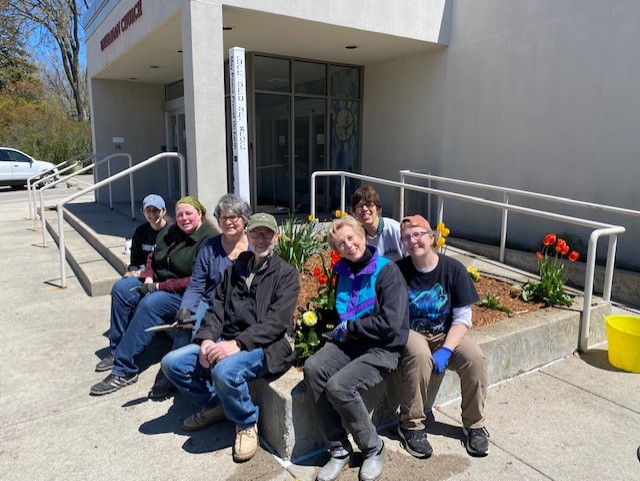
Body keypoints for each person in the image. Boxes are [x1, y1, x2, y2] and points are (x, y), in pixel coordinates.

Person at [161, 212, 299, 463]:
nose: (261, 239)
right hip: (227, 339)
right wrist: (207, 339)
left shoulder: (286, 274)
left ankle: (246, 422)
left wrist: (237, 344)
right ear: (247, 235)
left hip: (266, 345)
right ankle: (218, 405)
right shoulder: (236, 268)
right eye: (256, 233)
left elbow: (276, 322)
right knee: (172, 363)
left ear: (276, 238)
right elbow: (216, 308)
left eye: (267, 234)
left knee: (224, 372)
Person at [303, 216, 409, 481]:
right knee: (313, 368)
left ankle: (373, 448)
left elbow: (391, 325)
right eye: (341, 243)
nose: (348, 245)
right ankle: (339, 449)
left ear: (363, 236)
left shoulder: (387, 272)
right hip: (351, 343)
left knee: (339, 386)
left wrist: (352, 328)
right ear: (337, 250)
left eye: (351, 238)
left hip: (383, 347)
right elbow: (343, 314)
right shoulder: (344, 273)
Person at [90, 196, 217, 396]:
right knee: (121, 289)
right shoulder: (172, 231)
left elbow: (195, 281)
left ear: (200, 214)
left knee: (151, 303)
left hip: (183, 293)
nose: (184, 218)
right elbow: (152, 257)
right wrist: (148, 276)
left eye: (189, 213)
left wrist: (157, 287)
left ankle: (124, 369)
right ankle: (118, 350)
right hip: (157, 281)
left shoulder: (208, 240)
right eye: (180, 214)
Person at [395, 214, 489, 458]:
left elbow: (463, 318)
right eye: (407, 237)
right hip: (411, 333)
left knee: (475, 358)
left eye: (418, 234)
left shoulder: (453, 269)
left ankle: (474, 425)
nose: (413, 241)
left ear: (431, 237)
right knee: (419, 355)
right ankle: (411, 425)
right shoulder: (398, 271)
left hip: (445, 333)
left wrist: (447, 349)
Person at [147, 193, 251, 399]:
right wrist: (186, 308)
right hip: (210, 300)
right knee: (186, 324)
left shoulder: (254, 246)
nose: (228, 222)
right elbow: (196, 284)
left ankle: (210, 381)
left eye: (233, 217)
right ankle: (170, 375)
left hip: (240, 304)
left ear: (245, 219)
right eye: (223, 217)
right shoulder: (211, 247)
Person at [350, 185, 405, 262]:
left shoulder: (395, 229)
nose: (364, 209)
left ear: (378, 209)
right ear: (354, 212)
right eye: (360, 206)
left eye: (369, 204)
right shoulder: (359, 237)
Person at [124, 194, 168, 277]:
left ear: (164, 211)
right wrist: (133, 272)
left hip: (165, 272)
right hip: (144, 270)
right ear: (144, 212)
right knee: (122, 283)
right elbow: (135, 261)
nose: (152, 213)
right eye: (148, 210)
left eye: (156, 210)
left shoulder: (172, 231)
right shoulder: (140, 231)